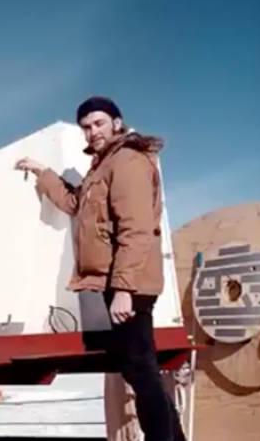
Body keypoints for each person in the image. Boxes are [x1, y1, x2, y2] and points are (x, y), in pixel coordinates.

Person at [15, 96, 186, 441]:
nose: (92, 132)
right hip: (120, 282)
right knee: (141, 370)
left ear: (117, 123)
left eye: (99, 124)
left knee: (141, 370)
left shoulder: (127, 161)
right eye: (86, 127)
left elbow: (136, 229)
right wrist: (42, 172)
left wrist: (123, 289)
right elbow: (76, 203)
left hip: (131, 284)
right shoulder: (103, 167)